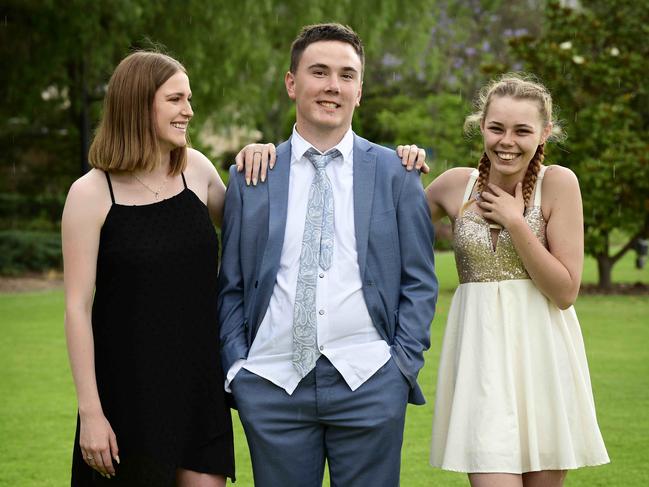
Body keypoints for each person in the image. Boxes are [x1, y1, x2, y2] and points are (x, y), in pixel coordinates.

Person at [217, 23, 438, 487]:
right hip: (272, 384)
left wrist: (401, 368)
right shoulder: (252, 177)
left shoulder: (398, 174)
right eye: (319, 72)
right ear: (292, 83)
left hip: (370, 380)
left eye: (346, 75)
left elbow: (420, 280)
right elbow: (231, 285)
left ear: (360, 90)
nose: (332, 86)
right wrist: (240, 369)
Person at [424, 74, 609, 486]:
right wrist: (401, 162)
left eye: (522, 130)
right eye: (496, 128)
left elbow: (565, 291)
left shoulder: (559, 184)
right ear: (481, 126)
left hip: (543, 361)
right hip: (481, 362)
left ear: (544, 133)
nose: (507, 141)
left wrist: (515, 221)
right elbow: (383, 228)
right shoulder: (456, 186)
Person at [62, 51, 237, 486]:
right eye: (176, 99)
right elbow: (77, 308)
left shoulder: (196, 170)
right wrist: (91, 413)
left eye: (189, 99)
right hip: (128, 397)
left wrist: (260, 155)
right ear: (139, 104)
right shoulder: (90, 194)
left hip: (200, 387)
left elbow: (260, 227)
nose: (189, 111)